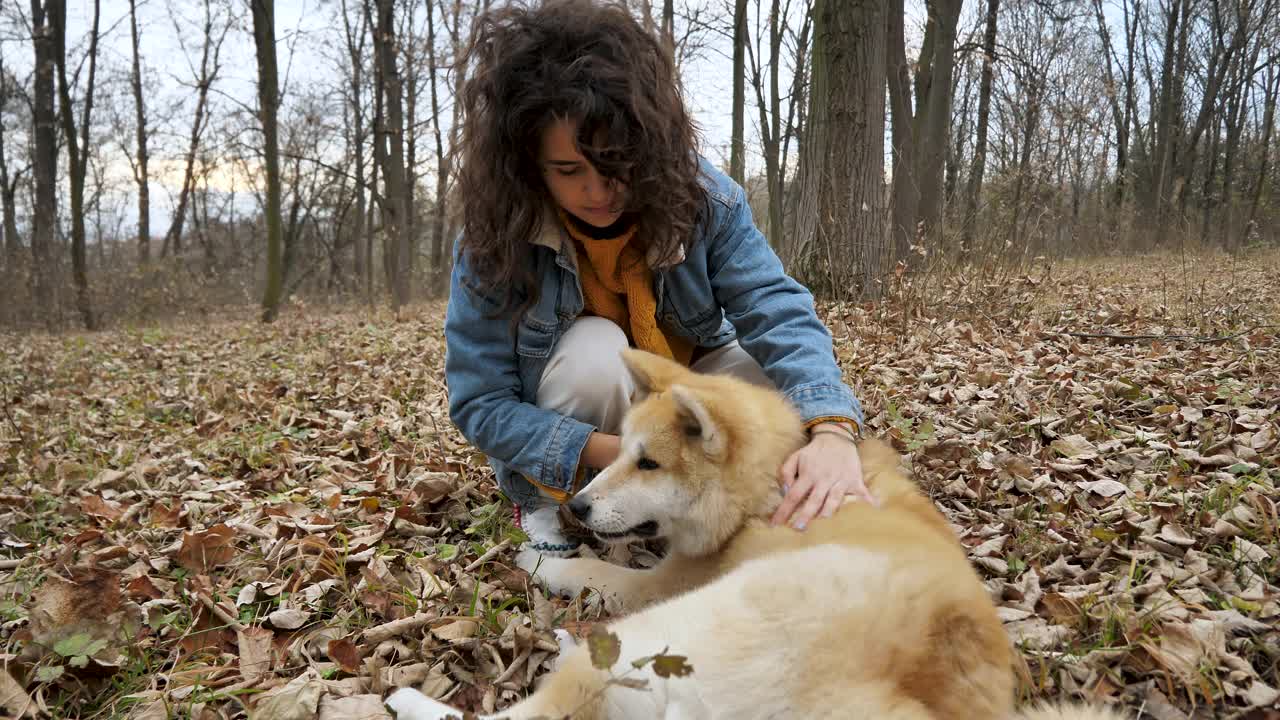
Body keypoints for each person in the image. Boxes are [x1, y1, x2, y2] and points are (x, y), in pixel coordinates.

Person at [444, 0, 872, 556]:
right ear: (527, 164)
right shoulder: (492, 239)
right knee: (596, 353)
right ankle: (557, 505)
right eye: (569, 171)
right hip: (588, 419)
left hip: (676, 391)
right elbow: (480, 403)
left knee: (760, 388)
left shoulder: (705, 200)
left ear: (648, 146)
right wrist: (627, 453)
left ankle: (737, 509)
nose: (598, 192)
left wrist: (833, 431)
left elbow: (776, 309)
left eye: (615, 164)